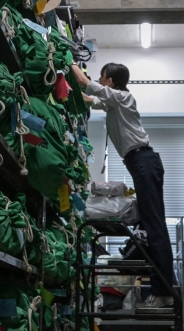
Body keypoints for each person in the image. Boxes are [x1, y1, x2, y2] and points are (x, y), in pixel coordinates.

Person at [70, 62, 176, 308]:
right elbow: (88, 98)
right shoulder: (114, 101)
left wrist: (70, 62)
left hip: (143, 162)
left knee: (154, 226)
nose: (99, 78)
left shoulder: (123, 97)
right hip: (140, 162)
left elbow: (88, 84)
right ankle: (163, 292)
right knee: (152, 224)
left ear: (109, 81)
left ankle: (163, 294)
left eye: (102, 75)